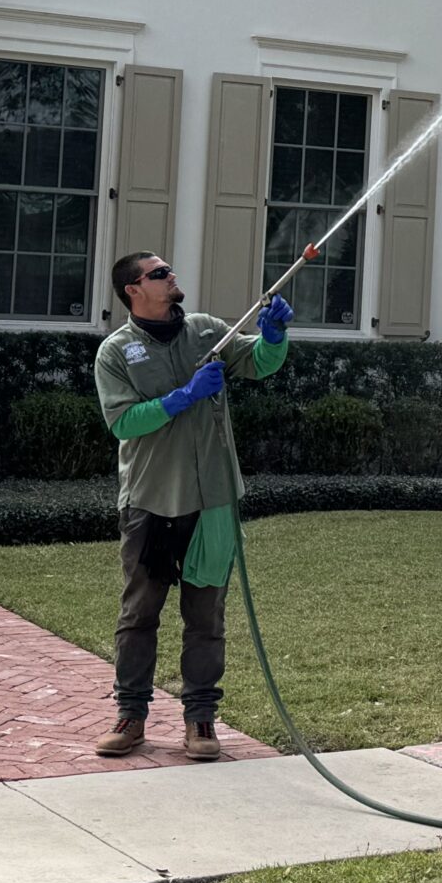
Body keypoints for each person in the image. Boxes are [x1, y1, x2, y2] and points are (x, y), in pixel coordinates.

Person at [91, 251, 295, 760]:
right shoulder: (115, 352)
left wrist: (273, 336)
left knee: (206, 619)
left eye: (170, 271)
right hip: (151, 501)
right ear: (133, 289)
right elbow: (124, 422)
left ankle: (200, 720)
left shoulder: (208, 331)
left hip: (214, 503)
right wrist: (183, 396)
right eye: (159, 274)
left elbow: (260, 363)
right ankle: (130, 716)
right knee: (139, 614)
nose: (171, 277)